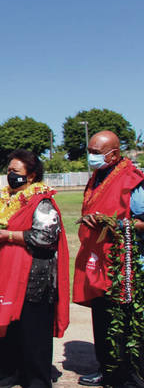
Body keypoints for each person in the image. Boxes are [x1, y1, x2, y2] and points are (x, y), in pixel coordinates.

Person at [0, 149, 70, 388]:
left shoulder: (42, 202)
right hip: (6, 276)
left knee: (33, 333)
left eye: (15, 171)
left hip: (34, 279)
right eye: (8, 171)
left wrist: (9, 236)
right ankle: (12, 372)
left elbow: (47, 237)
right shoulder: (4, 200)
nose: (10, 175)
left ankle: (36, 379)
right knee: (10, 329)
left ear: (31, 176)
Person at [73, 130, 144, 388]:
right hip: (98, 258)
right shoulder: (96, 177)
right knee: (102, 316)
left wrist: (118, 224)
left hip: (123, 263)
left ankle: (130, 373)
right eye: (89, 151)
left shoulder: (132, 180)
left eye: (96, 153)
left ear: (113, 155)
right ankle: (107, 369)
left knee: (125, 319)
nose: (90, 157)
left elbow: (141, 221)